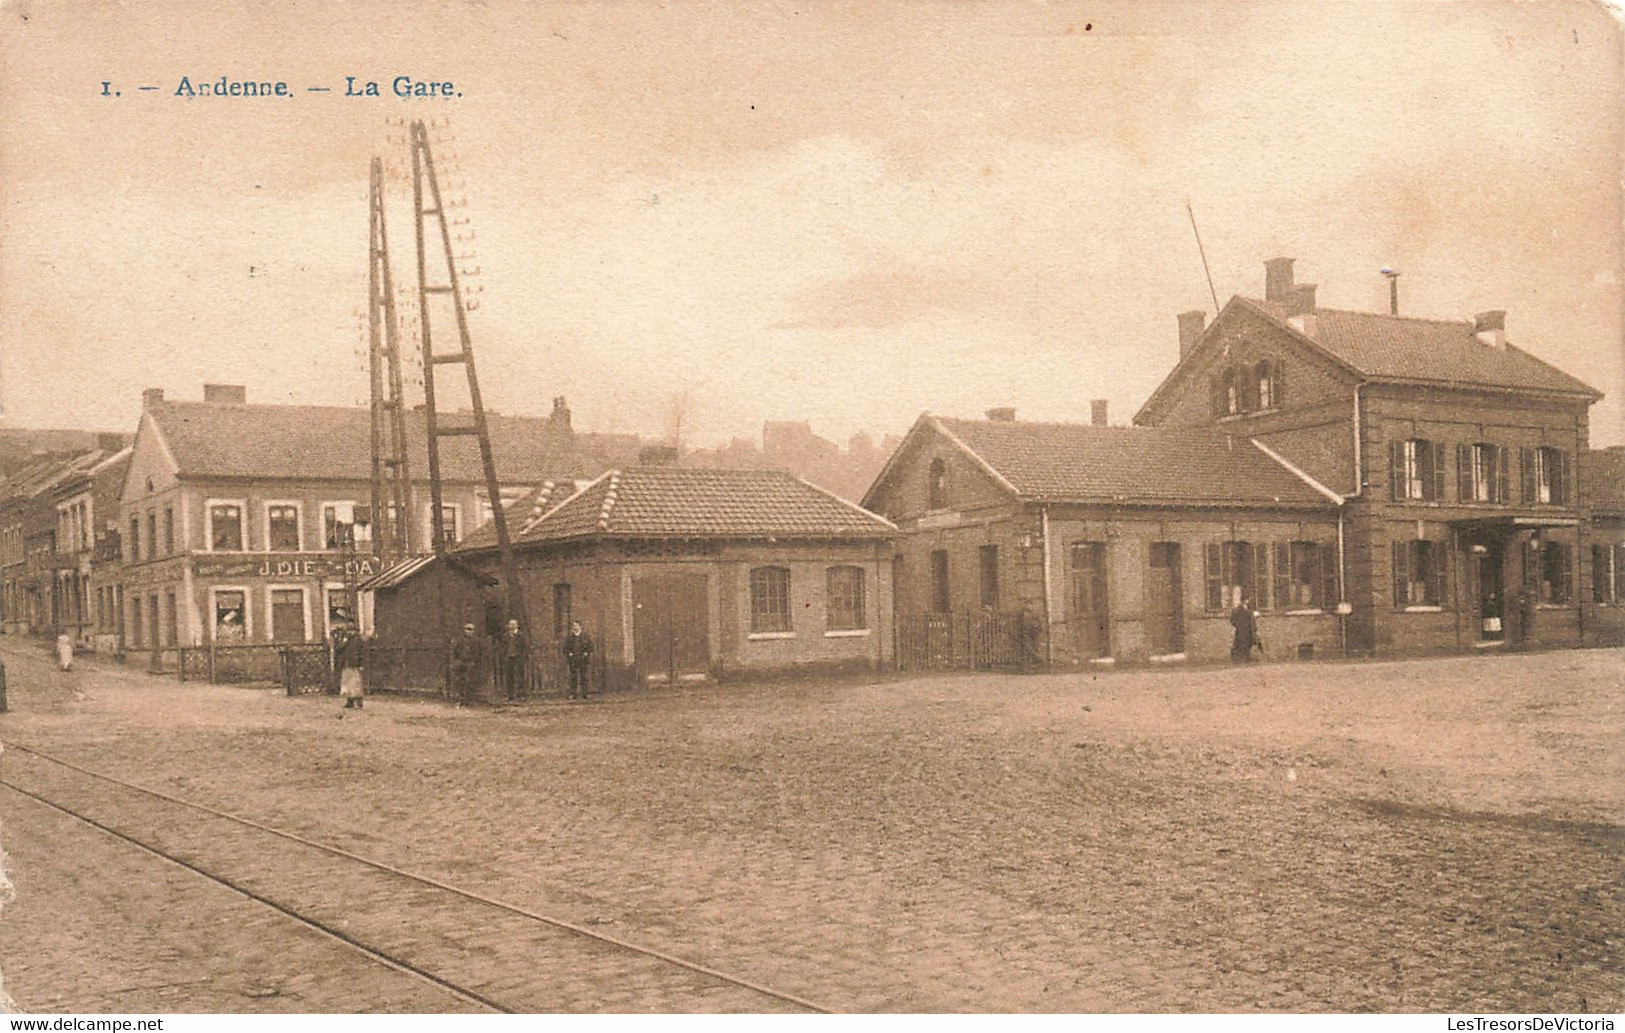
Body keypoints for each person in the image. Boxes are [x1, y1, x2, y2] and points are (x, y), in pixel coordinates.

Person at [449, 622, 485, 706]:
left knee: (470, 681)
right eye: (467, 629)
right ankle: (459, 699)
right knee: (459, 680)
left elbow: (479, 654)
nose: (469, 631)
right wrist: (455, 661)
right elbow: (455, 651)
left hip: (471, 663)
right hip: (461, 662)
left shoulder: (477, 641)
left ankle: (470, 699)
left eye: (471, 630)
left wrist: (475, 662)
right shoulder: (460, 640)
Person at [562, 620, 594, 699]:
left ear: (580, 627)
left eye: (576, 625)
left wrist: (586, 652)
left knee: (584, 676)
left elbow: (591, 647)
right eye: (573, 626)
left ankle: (585, 693)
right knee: (573, 677)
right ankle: (573, 694)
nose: (575, 627)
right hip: (573, 659)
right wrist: (569, 653)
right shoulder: (569, 637)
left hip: (583, 659)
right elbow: (565, 648)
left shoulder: (586, 636)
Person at [336, 627, 366, 710]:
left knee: (356, 684)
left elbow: (362, 653)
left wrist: (361, 664)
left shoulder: (358, 641)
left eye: (352, 630)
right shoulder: (345, 640)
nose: (350, 632)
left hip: (355, 665)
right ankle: (350, 702)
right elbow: (339, 649)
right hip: (346, 664)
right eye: (348, 630)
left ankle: (359, 703)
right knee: (347, 685)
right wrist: (343, 642)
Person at [499, 618, 528, 701]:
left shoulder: (521, 635)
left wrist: (522, 656)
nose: (511, 626)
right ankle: (510, 695)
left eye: (513, 624)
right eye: (510, 624)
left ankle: (521, 695)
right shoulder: (506, 636)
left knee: (520, 676)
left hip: (518, 658)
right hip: (509, 658)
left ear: (517, 626)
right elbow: (503, 647)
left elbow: (525, 647)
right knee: (509, 676)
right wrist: (505, 655)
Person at [1229, 596, 1260, 663]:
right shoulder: (1237, 610)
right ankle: (1239, 659)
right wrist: (1239, 626)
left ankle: (1247, 658)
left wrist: (1254, 628)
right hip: (1242, 630)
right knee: (1240, 644)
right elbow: (1232, 620)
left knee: (1248, 644)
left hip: (1248, 630)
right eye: (1247, 600)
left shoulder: (1248, 609)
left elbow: (1252, 620)